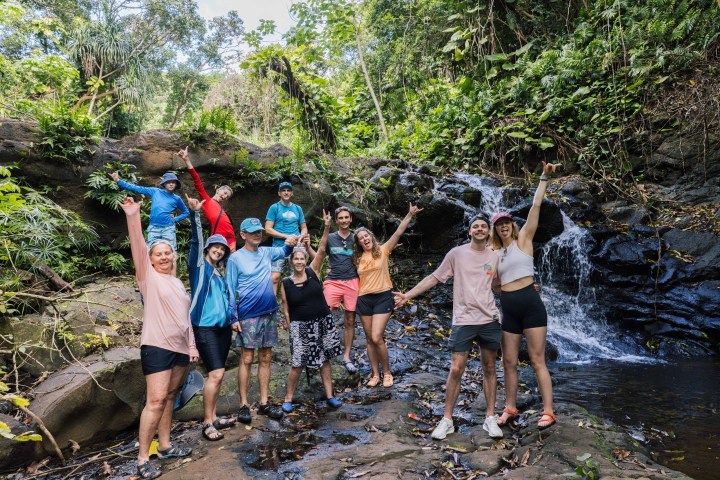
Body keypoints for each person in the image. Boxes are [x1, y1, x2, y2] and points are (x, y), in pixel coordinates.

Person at [394, 216, 504, 440]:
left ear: (489, 231)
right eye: (476, 226)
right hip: (463, 320)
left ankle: (490, 418)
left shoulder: (495, 256)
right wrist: (407, 295)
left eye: (484, 226)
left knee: (490, 368)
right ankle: (447, 419)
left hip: (489, 319)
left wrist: (525, 288)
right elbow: (435, 278)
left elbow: (499, 287)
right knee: (456, 369)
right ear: (469, 231)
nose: (480, 229)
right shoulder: (457, 253)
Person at [119, 196, 198, 480]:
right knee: (155, 401)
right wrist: (133, 214)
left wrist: (191, 345)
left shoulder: (177, 283)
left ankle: (165, 446)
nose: (164, 256)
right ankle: (142, 458)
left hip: (179, 349)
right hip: (156, 347)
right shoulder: (148, 279)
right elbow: (138, 248)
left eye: (168, 253)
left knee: (170, 397)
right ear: (151, 260)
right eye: (158, 254)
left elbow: (184, 319)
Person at [491, 161, 562, 431]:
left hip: (532, 306)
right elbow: (491, 282)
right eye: (499, 225)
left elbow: (535, 209)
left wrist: (543, 178)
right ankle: (510, 406)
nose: (504, 227)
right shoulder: (495, 255)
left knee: (536, 359)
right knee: (508, 361)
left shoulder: (525, 242)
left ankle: (548, 411)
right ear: (496, 230)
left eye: (507, 223)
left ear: (512, 225)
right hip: (508, 309)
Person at [225, 217, 298, 423]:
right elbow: (230, 289)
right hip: (247, 314)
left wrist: (291, 243)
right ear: (243, 235)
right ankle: (243, 405)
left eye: (259, 231)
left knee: (265, 358)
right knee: (247, 359)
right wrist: (233, 317)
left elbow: (284, 251)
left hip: (268, 312)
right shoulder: (235, 259)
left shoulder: (266, 252)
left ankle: (264, 403)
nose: (257, 234)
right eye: (253, 231)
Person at [354, 202, 423, 388]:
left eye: (366, 235)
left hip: (383, 296)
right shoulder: (357, 258)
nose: (364, 239)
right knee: (369, 339)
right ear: (358, 242)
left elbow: (398, 233)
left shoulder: (383, 250)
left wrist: (409, 215)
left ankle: (387, 373)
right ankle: (375, 374)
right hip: (364, 299)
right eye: (360, 238)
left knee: (376, 337)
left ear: (371, 237)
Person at [280, 209, 343, 412]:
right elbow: (286, 307)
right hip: (300, 325)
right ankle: (288, 399)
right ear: (291, 262)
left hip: (322, 321)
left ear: (306, 260)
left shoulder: (312, 271)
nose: (299, 262)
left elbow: (323, 249)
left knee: (325, 360)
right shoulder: (286, 282)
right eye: (296, 259)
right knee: (298, 363)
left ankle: (330, 396)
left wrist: (326, 227)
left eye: (302, 259)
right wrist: (290, 326)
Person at [186, 197, 235, 442]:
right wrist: (196, 215)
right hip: (204, 328)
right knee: (215, 374)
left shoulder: (219, 272)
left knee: (219, 374)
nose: (219, 250)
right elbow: (196, 241)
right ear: (208, 249)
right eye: (215, 247)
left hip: (222, 329)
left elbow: (226, 300)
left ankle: (214, 416)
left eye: (222, 249)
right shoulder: (199, 267)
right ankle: (207, 423)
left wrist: (232, 319)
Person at [177, 147, 236, 251]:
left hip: (231, 239)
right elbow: (197, 181)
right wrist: (187, 160)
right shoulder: (207, 200)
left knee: (230, 264)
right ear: (218, 190)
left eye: (227, 197)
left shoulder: (220, 208)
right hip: (219, 238)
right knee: (216, 262)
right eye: (225, 193)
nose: (225, 196)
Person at [111, 171, 189, 250]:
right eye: (168, 182)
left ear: (176, 184)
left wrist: (175, 219)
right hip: (154, 227)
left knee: (171, 250)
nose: (171, 184)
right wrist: (118, 181)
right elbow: (137, 188)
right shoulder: (155, 191)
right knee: (151, 251)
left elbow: (186, 212)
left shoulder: (177, 198)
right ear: (164, 183)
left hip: (168, 228)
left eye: (173, 182)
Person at [323, 207, 360, 374]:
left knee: (350, 320)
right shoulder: (330, 237)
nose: (344, 220)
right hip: (333, 281)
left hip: (353, 281)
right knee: (324, 313)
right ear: (336, 221)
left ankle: (346, 356)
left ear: (351, 219)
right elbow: (320, 252)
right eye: (341, 218)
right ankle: (324, 349)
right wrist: (326, 226)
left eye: (346, 217)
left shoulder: (356, 238)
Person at [265, 181, 308, 292]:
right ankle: (272, 306)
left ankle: (293, 306)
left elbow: (304, 227)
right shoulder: (274, 208)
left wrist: (300, 237)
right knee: (274, 278)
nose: (286, 192)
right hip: (278, 248)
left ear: (292, 193)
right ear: (279, 193)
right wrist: (286, 237)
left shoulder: (298, 208)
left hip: (296, 247)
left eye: (288, 190)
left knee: (296, 278)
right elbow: (268, 229)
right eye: (283, 190)